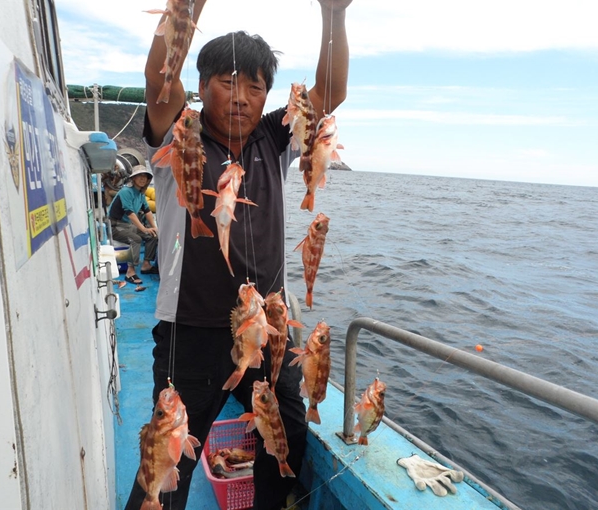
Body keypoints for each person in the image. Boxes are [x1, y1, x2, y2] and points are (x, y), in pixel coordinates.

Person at [124, 1, 352, 509]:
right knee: (167, 461)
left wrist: (334, 14)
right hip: (192, 331)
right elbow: (158, 75)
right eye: (229, 83)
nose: (243, 99)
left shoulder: (275, 139)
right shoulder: (179, 136)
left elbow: (329, 94)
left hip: (267, 326)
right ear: (202, 86)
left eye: (256, 87)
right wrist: (187, 7)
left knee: (286, 434)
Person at [108, 165, 159, 284]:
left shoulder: (140, 193)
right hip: (115, 226)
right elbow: (130, 213)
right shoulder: (126, 191)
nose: (142, 179)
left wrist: (154, 228)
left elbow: (147, 211)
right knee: (136, 239)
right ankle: (130, 271)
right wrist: (143, 229)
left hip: (128, 225)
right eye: (139, 176)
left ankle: (146, 265)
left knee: (153, 235)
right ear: (134, 178)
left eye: (145, 176)